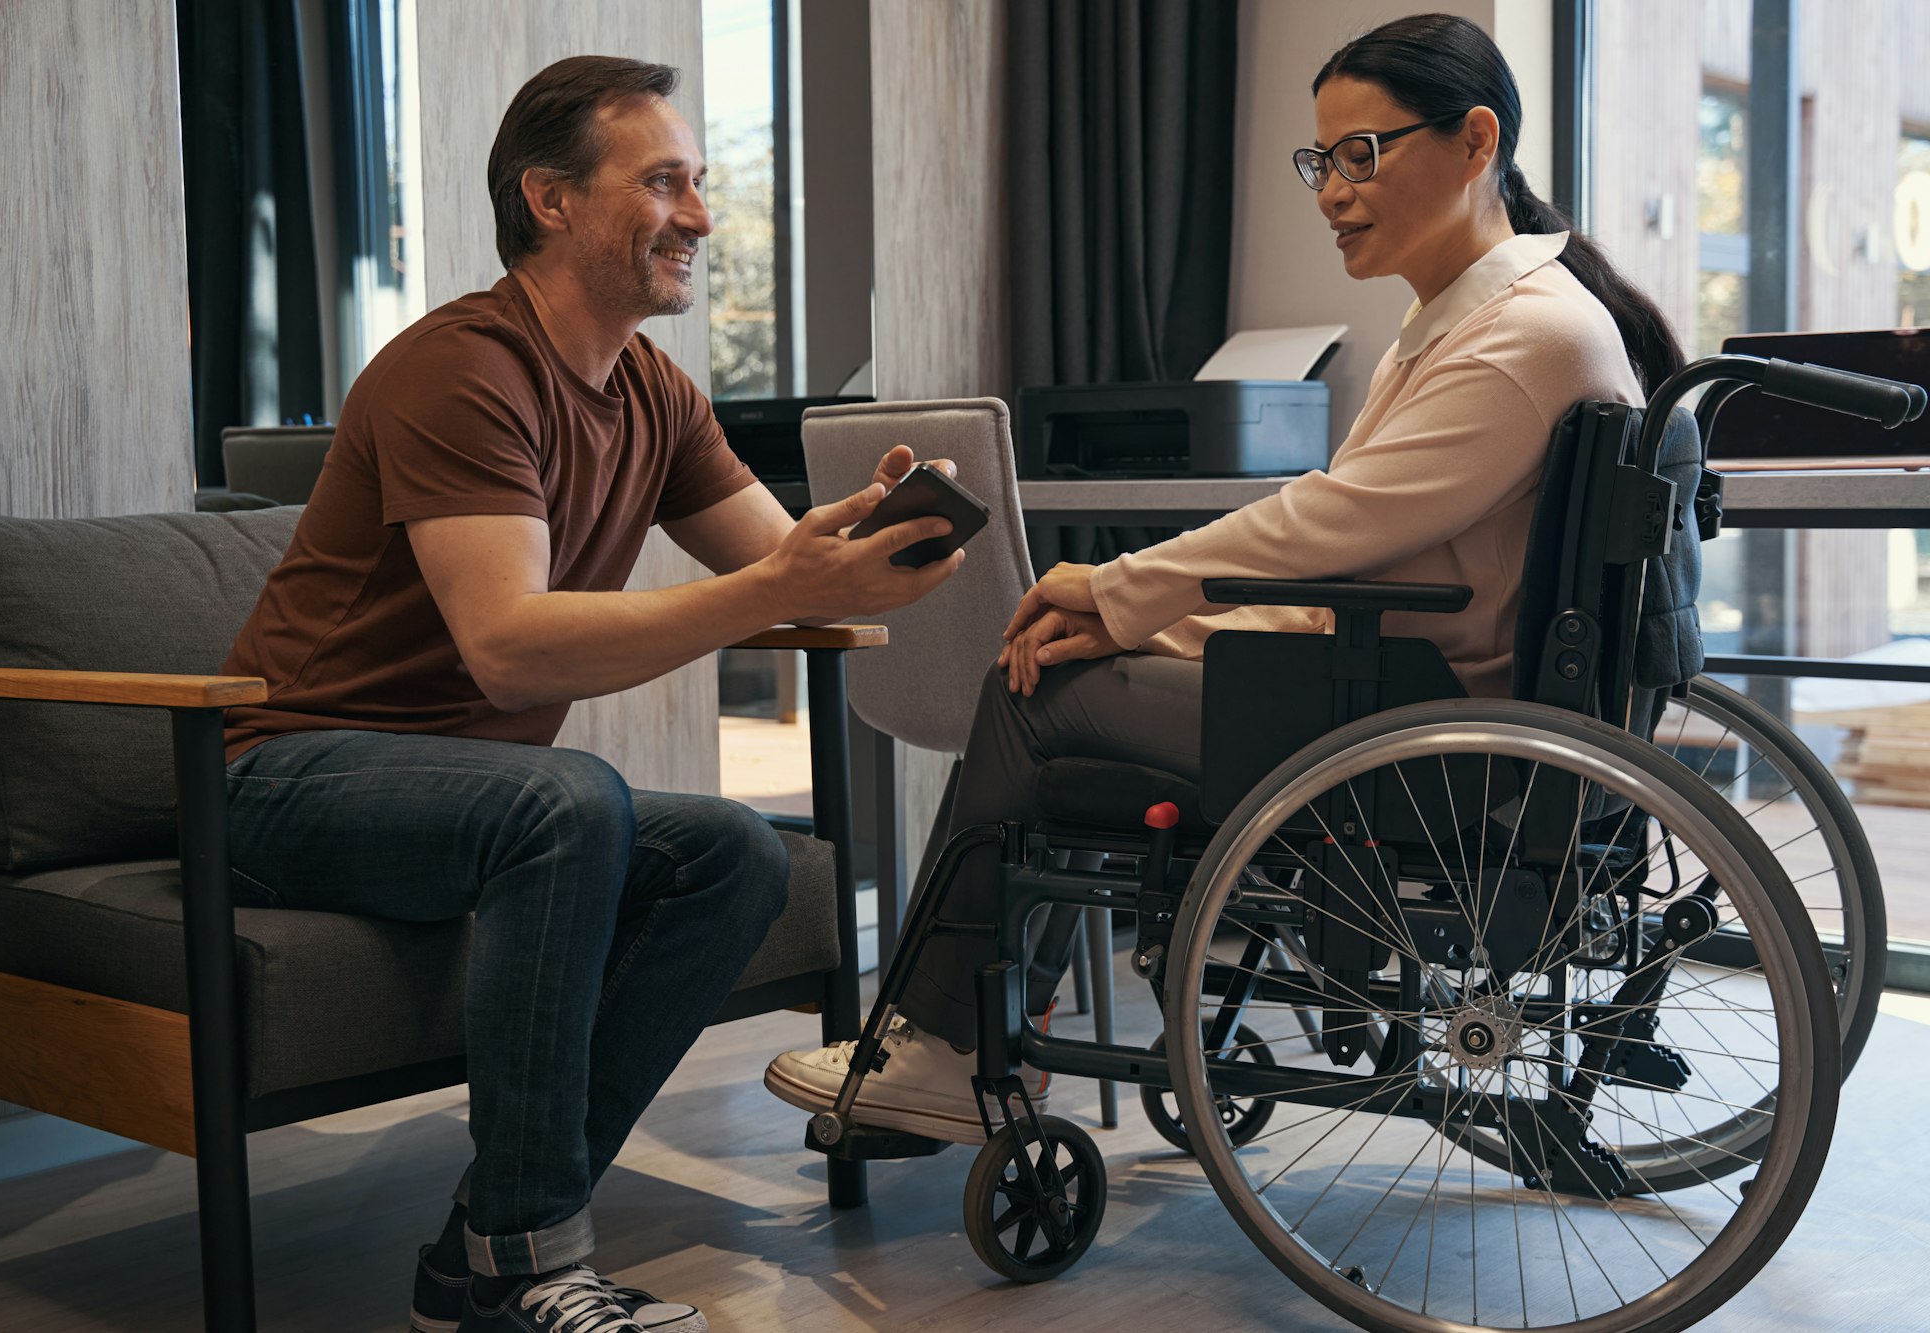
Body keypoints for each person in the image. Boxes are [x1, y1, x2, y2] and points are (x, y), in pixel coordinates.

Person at [765, 12, 1681, 1143]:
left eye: (1363, 153)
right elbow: (1358, 554)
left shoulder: (1522, 335)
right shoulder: (1470, 321)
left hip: (1419, 732)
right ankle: (976, 1031)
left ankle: (950, 1046)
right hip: (1400, 694)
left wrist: (1117, 593)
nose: (1332, 189)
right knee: (1067, 664)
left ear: (1474, 141)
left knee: (1035, 692)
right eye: (1320, 160)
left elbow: (1332, 524)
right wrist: (1149, 626)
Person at [220, 56, 962, 1333]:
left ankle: (482, 1245)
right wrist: (779, 582)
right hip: (287, 775)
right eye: (663, 182)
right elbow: (507, 648)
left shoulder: (653, 390)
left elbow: (777, 574)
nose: (700, 216)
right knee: (566, 803)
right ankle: (526, 1264)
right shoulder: (461, 370)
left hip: (469, 795)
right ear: (550, 200)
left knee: (734, 851)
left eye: (700, 183)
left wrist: (854, 549)